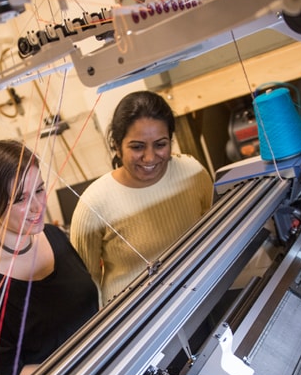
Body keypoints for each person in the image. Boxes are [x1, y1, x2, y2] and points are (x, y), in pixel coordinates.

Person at [0, 140, 98, 375]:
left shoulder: (53, 235)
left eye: (39, 189)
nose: (37, 206)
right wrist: (83, 366)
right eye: (20, 199)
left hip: (111, 367)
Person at [69, 90, 213, 304]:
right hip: (135, 321)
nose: (150, 157)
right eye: (137, 147)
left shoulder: (192, 173)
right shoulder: (93, 203)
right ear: (117, 147)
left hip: (199, 295)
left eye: (161, 144)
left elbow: (213, 231)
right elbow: (87, 287)